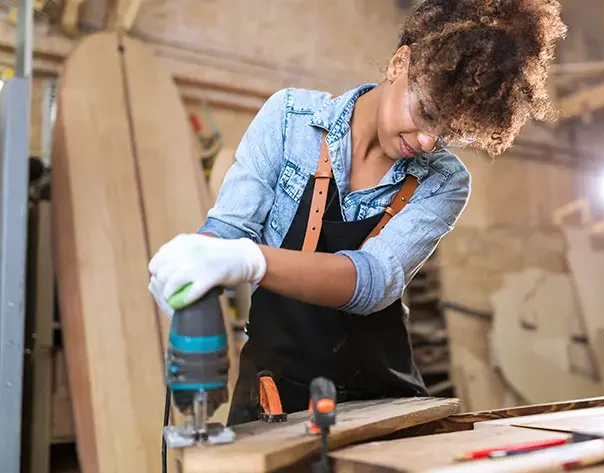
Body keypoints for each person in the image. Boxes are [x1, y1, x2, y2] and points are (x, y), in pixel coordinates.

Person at [147, 0, 566, 425]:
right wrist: (193, 263)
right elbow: (227, 228)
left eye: (449, 135)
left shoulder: (444, 181)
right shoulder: (290, 121)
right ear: (400, 63)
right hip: (274, 397)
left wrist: (250, 260)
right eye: (426, 113)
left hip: (383, 401)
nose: (426, 141)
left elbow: (373, 280)